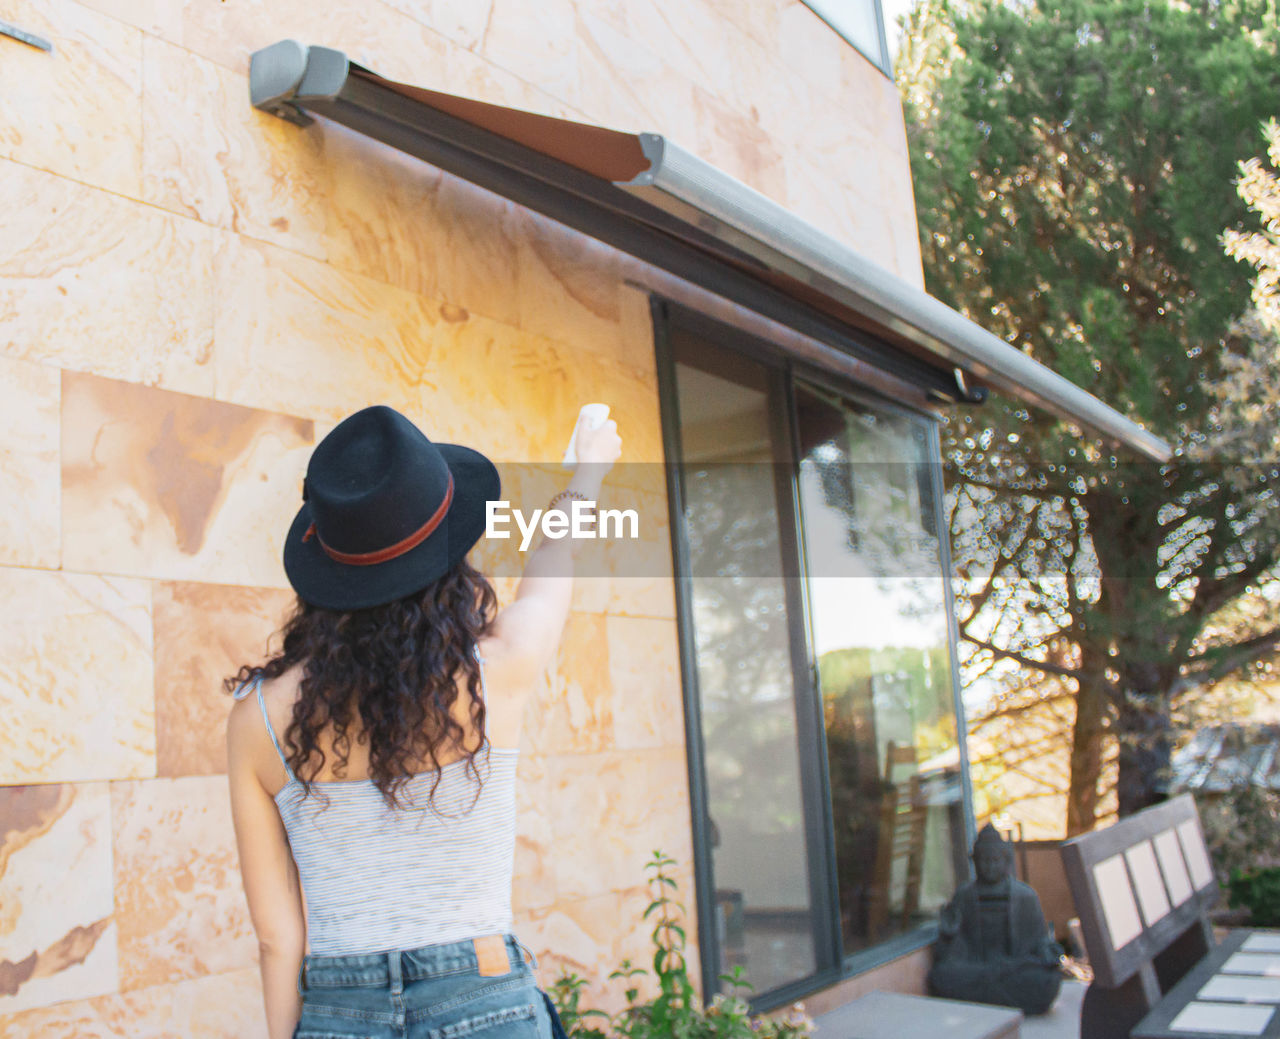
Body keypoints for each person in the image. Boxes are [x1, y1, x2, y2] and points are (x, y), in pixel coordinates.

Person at [226, 404, 621, 1039]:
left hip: (337, 1011)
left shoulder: (258, 720)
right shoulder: (497, 670)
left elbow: (277, 938)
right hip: (485, 1000)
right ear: (448, 555)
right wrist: (587, 474)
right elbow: (552, 562)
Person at [927, 824, 1062, 1016]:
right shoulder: (964, 896)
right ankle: (1001, 996)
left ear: (1006, 860)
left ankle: (985, 997)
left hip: (1013, 969)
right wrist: (949, 936)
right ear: (974, 861)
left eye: (995, 860)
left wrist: (1047, 952)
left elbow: (1039, 940)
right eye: (984, 861)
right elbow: (950, 953)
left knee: (1048, 980)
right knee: (940, 976)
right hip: (977, 969)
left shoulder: (1025, 896)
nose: (990, 866)